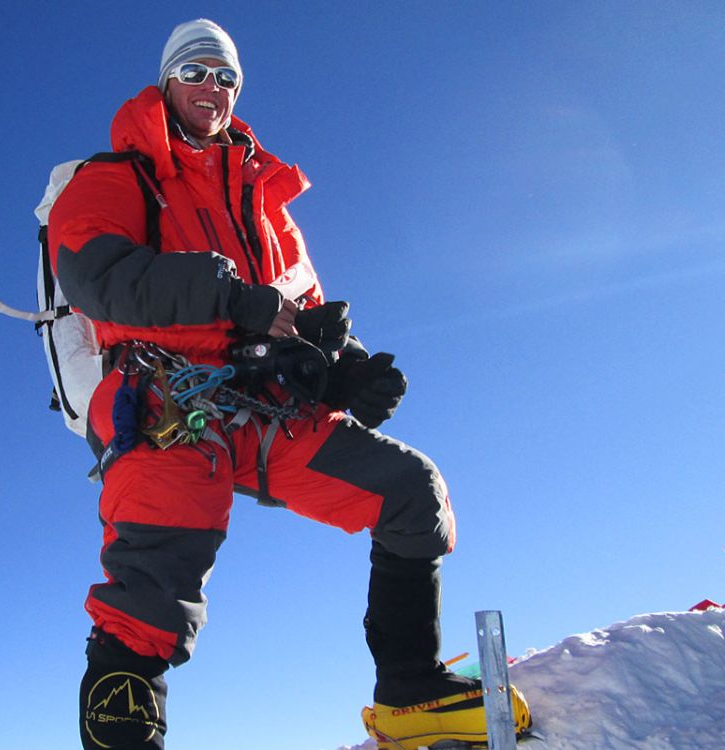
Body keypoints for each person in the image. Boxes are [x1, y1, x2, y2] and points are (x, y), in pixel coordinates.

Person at [49, 19, 530, 750]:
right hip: (169, 411)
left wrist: (349, 370)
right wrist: (227, 295)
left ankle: (409, 695)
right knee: (151, 594)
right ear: (167, 81)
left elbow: (302, 305)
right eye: (197, 72)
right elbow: (97, 276)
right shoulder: (112, 179)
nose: (212, 88)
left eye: (226, 78)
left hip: (271, 408)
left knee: (410, 494)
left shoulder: (267, 202)